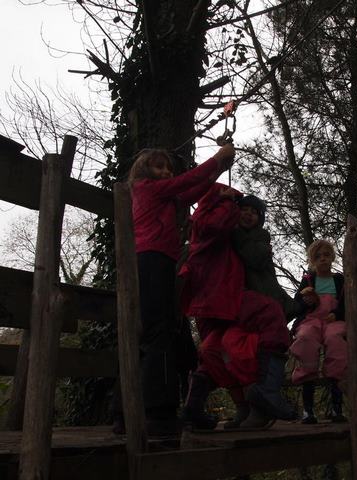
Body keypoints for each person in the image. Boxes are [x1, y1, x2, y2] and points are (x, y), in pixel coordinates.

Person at [124, 143, 235, 436]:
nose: (166, 172)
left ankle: (132, 412)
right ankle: (157, 413)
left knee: (160, 329)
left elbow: (190, 192)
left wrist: (216, 174)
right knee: (157, 331)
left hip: (161, 261)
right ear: (145, 170)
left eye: (168, 168)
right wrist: (217, 159)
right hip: (151, 259)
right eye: (159, 167)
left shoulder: (165, 197)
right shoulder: (146, 188)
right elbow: (186, 182)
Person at [179, 184, 297, 431]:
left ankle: (255, 403)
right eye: (244, 209)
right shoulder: (219, 232)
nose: (248, 214)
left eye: (254, 212)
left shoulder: (255, 238)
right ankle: (244, 405)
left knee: (228, 348)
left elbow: (257, 260)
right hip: (226, 303)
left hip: (242, 303)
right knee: (218, 350)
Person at [289, 240, 348, 424]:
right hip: (311, 319)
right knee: (305, 338)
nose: (323, 259)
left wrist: (337, 314)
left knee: (336, 341)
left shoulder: (340, 280)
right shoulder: (308, 279)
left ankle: (336, 408)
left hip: (333, 321)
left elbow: (347, 302)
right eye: (318, 256)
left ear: (332, 257)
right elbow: (298, 303)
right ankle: (308, 410)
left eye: (326, 255)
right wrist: (306, 301)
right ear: (312, 260)